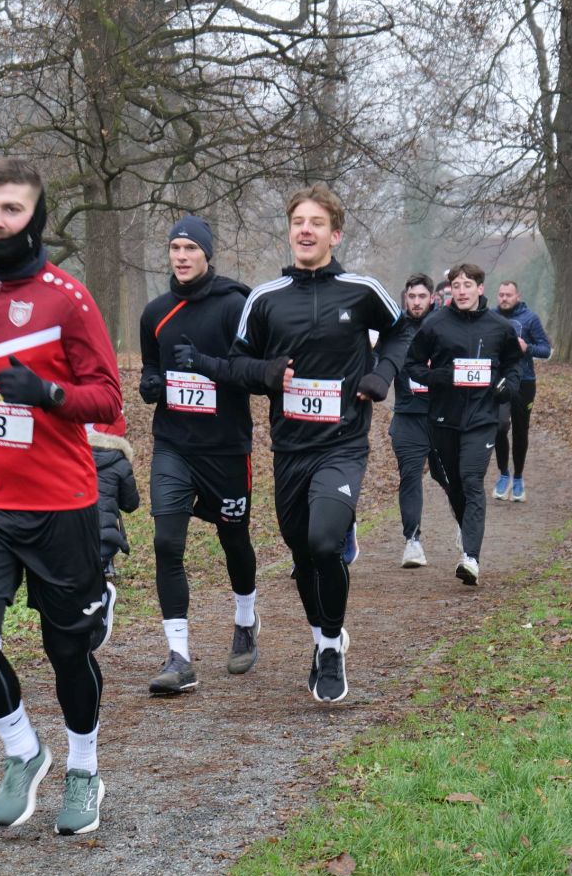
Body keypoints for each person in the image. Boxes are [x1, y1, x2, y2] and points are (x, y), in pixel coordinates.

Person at [0, 157, 122, 836]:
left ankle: (85, 769)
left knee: (69, 653)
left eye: (11, 209)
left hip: (61, 506)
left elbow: (107, 398)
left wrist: (49, 394)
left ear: (37, 217)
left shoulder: (68, 300)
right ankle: (23, 749)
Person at [175, 184, 412, 703]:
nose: (306, 230)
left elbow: (402, 332)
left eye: (316, 223)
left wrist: (382, 374)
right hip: (290, 449)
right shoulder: (265, 299)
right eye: (298, 222)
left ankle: (329, 647)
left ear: (335, 234)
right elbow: (238, 364)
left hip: (343, 444)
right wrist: (267, 373)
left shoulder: (361, 290)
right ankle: (322, 634)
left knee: (326, 542)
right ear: (290, 231)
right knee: (303, 553)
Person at [137, 215, 260, 695]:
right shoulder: (155, 312)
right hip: (174, 445)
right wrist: (151, 383)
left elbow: (253, 375)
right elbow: (152, 367)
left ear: (207, 254)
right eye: (175, 248)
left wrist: (205, 365)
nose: (182, 256)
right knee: (166, 543)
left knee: (234, 540)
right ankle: (179, 657)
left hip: (225, 449)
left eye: (191, 248)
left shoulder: (235, 306)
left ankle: (245, 620)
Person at [405, 263, 522, 586]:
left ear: (480, 289)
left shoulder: (499, 327)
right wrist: (438, 377)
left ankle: (470, 557)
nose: (461, 291)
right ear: (450, 290)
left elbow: (514, 364)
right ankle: (466, 530)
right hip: (444, 418)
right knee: (454, 485)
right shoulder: (435, 324)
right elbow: (413, 364)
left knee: (472, 480)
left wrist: (507, 387)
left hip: (482, 418)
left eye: (468, 285)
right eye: (456, 285)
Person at [490, 280, 551, 503]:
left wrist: (527, 348)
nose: (504, 298)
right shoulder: (491, 317)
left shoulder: (530, 318)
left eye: (508, 294)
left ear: (518, 296)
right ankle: (503, 474)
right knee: (499, 426)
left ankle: (518, 478)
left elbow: (546, 350)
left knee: (520, 431)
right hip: (500, 381)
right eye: (501, 294)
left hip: (525, 382)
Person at [391, 274, 436, 568]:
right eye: (412, 297)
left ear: (432, 298)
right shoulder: (395, 329)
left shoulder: (444, 325)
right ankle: (412, 541)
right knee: (410, 477)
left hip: (442, 415)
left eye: (422, 296)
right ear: (405, 298)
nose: (417, 302)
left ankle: (466, 532)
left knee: (452, 479)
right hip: (408, 415)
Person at [88, 416, 139, 579]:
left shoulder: (71, 460)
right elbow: (131, 505)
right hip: (106, 543)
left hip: (68, 541)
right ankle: (107, 563)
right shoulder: (121, 463)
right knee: (109, 505)